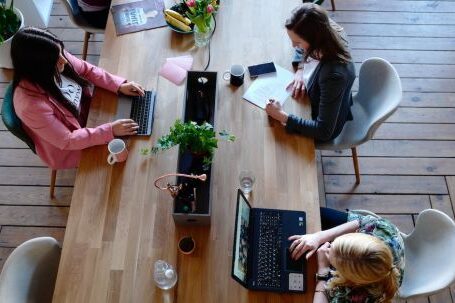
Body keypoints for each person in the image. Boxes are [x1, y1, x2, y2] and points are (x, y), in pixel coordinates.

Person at [11, 27, 145, 169]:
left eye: (61, 52)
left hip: (89, 116)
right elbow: (67, 140)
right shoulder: (30, 106)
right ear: (39, 67)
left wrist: (118, 85)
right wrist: (109, 130)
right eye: (57, 59)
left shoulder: (54, 55)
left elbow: (87, 70)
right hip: (70, 146)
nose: (65, 60)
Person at [265, 3, 356, 142]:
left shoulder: (334, 76)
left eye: (298, 42)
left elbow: (323, 131)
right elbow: (302, 49)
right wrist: (301, 69)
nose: (294, 46)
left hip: (321, 125)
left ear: (315, 40)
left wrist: (282, 116)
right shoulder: (324, 28)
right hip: (315, 98)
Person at [289, 208, 404, 303]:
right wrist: (319, 237)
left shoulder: (356, 297)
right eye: (334, 243)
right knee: (310, 213)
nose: (327, 248)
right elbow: (360, 222)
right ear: (360, 236)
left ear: (349, 277)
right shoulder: (383, 230)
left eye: (333, 263)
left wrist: (323, 272)